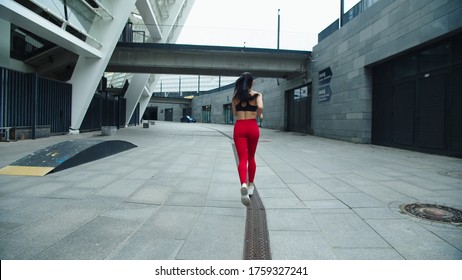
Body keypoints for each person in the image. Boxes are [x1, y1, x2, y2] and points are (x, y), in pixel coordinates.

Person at [232, 72, 263, 206]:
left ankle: (243, 183)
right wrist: (259, 115)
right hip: (252, 126)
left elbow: (234, 114)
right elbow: (260, 107)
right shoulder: (257, 95)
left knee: (242, 159)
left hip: (239, 126)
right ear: (252, 82)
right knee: (251, 157)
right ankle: (250, 186)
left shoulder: (235, 97)